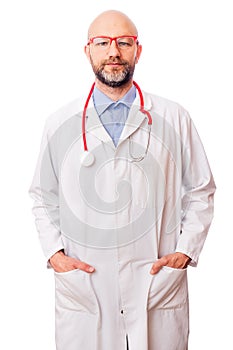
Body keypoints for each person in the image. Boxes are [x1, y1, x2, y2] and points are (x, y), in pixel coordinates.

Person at [29, 9, 216, 350]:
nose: (113, 51)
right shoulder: (60, 123)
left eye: (123, 42)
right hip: (86, 292)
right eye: (102, 43)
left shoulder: (174, 117)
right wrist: (55, 254)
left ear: (137, 51)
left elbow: (202, 189)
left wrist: (185, 251)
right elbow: (42, 196)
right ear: (88, 51)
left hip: (156, 286)